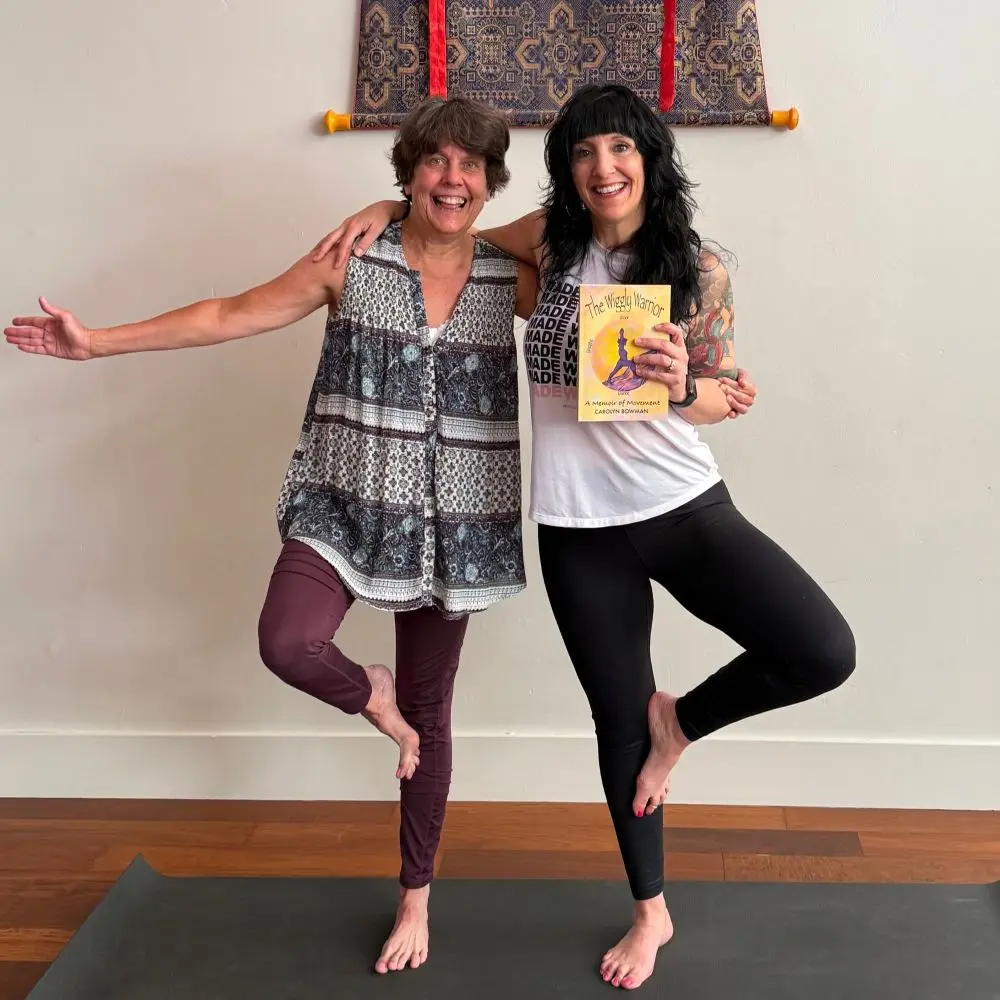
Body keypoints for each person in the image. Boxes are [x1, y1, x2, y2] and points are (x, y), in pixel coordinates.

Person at [313, 83, 854, 992]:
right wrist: (384, 204)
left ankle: (678, 722)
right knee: (614, 724)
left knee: (820, 648)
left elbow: (721, 398)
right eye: (583, 153)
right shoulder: (553, 245)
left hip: (684, 509)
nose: (603, 168)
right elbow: (452, 232)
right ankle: (652, 911)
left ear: (649, 156)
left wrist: (688, 386)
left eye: (620, 149)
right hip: (577, 530)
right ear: (569, 170)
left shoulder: (699, 267)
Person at [4, 96, 544, 977]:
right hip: (342, 500)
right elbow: (231, 313)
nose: (452, 179)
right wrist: (96, 343)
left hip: (457, 524)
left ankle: (416, 893)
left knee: (433, 713)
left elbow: (605, 224)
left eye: (470, 165)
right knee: (287, 640)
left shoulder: (507, 279)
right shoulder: (352, 259)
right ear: (408, 169)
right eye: (435, 162)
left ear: (490, 182)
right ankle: (370, 694)